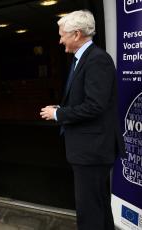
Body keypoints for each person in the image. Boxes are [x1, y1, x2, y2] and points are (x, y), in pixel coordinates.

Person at [40, 10, 125, 230]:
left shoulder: (97, 60)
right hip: (90, 149)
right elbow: (89, 100)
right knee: (99, 205)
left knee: (89, 210)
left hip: (93, 151)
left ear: (77, 34)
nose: (60, 40)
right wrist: (62, 108)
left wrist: (59, 114)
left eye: (62, 35)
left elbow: (95, 106)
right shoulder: (85, 58)